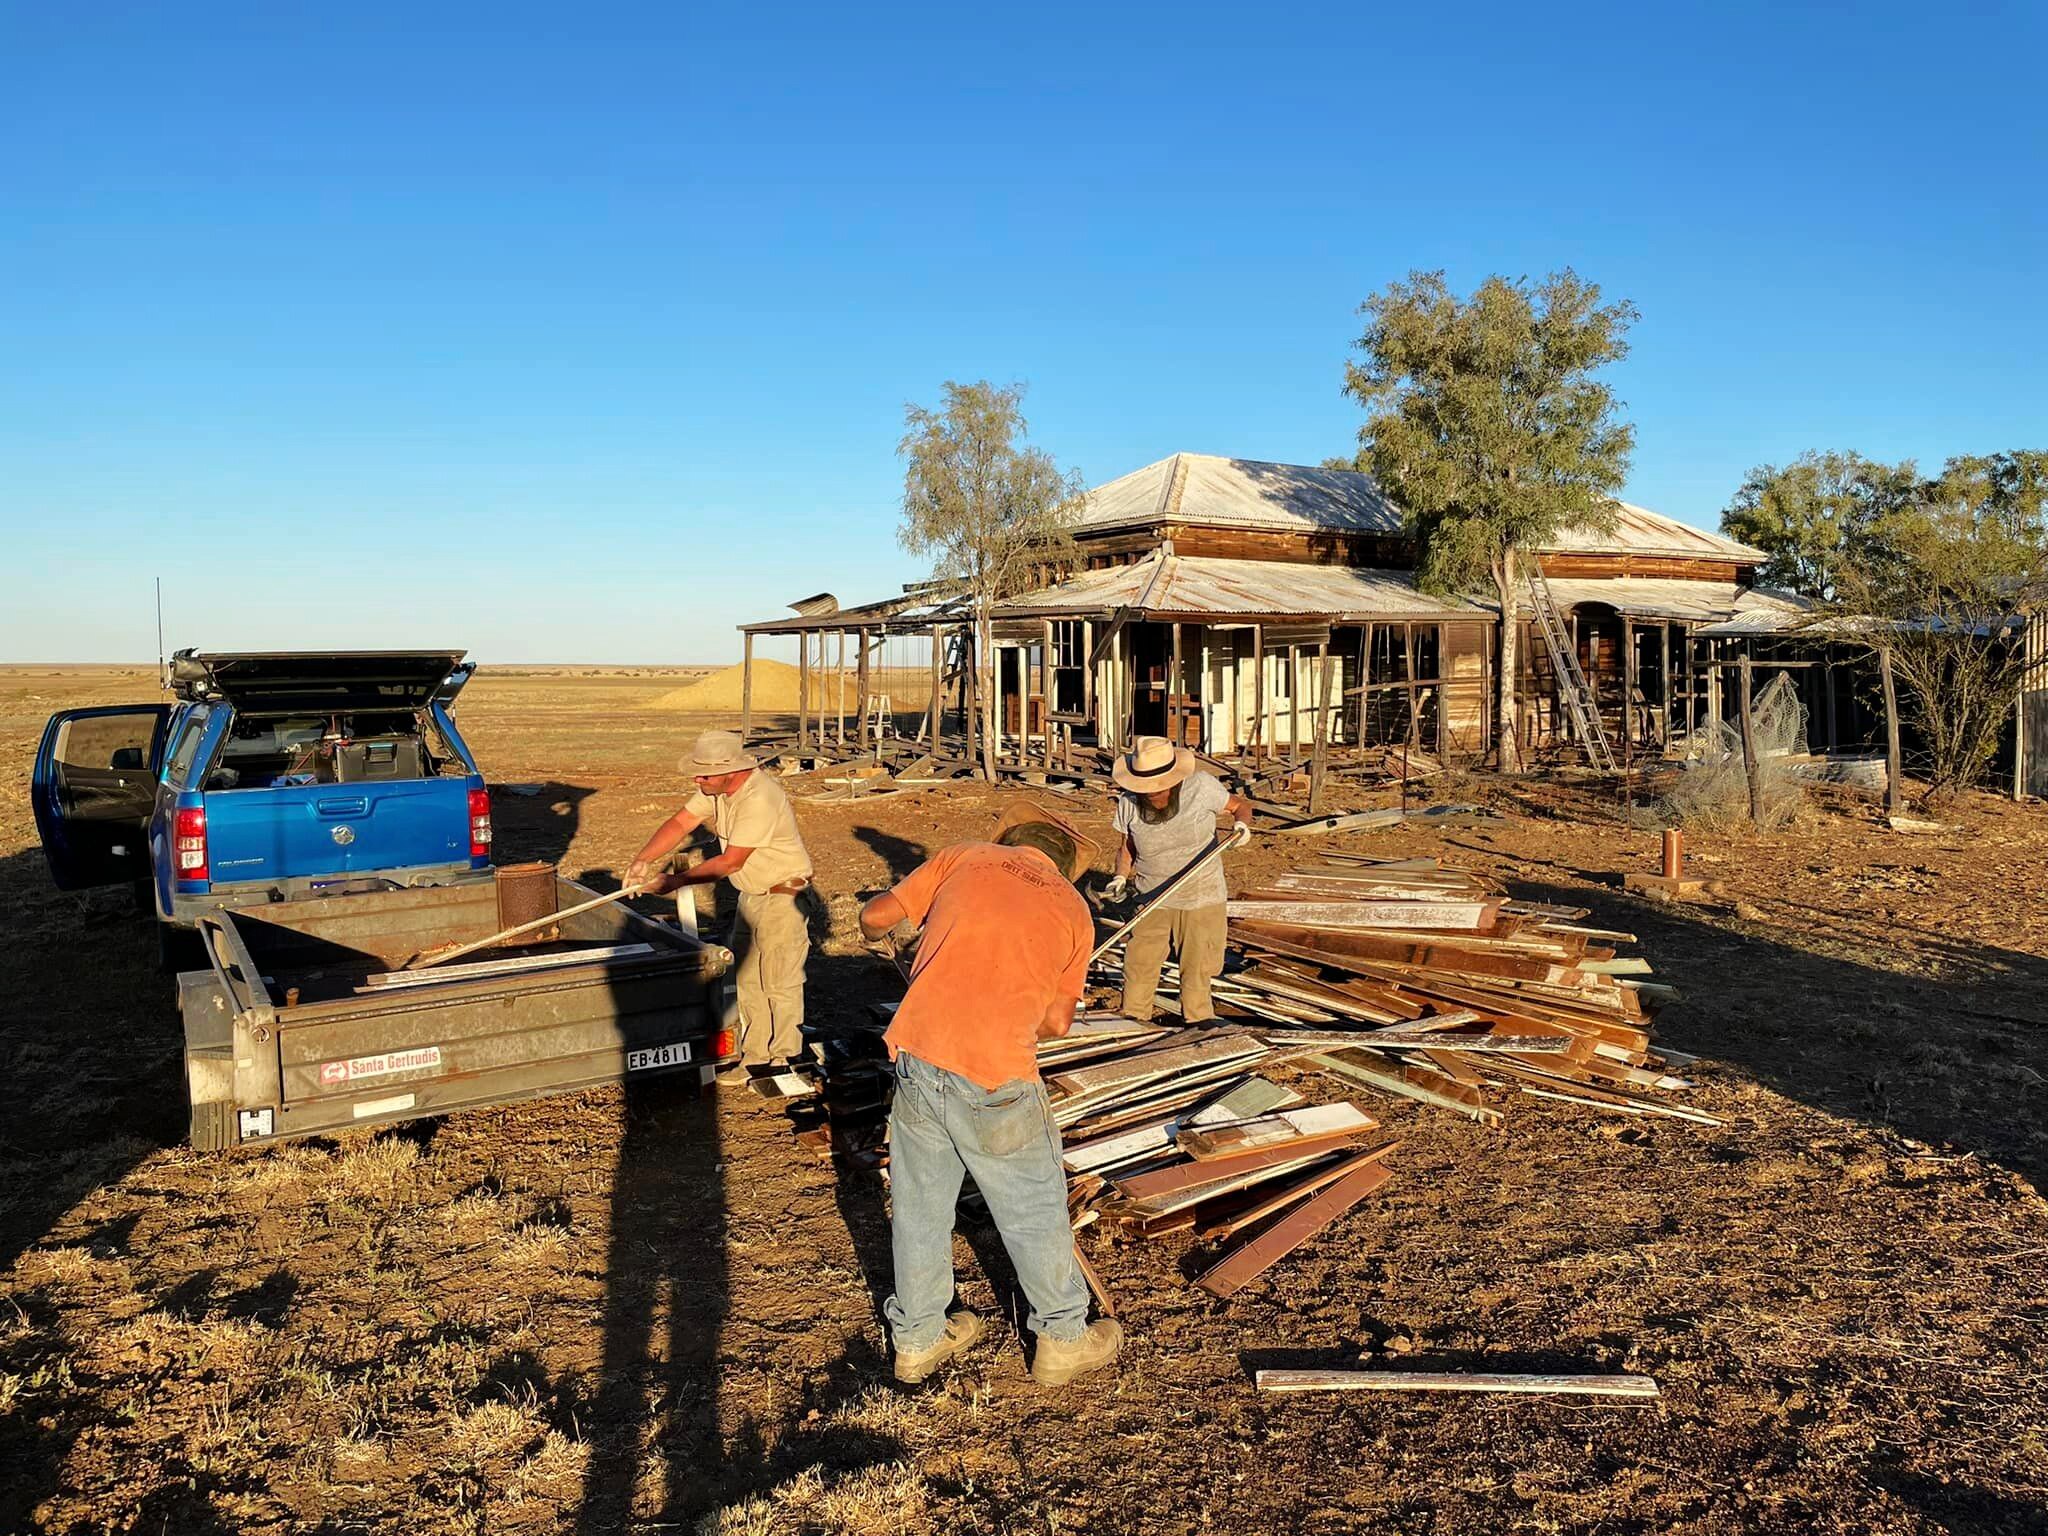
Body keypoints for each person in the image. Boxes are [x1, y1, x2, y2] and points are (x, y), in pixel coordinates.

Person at [857, 819, 1122, 1389]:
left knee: (921, 1207)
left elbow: (874, 917)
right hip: (996, 1075)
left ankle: (918, 1338)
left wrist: (889, 939)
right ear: (1064, 866)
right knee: (1033, 1209)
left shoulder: (963, 857)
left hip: (919, 1055)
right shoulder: (1075, 911)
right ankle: (1062, 1338)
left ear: (1008, 844)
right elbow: (1057, 1022)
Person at [626, 729, 814, 1076]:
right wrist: (643, 860)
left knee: (779, 980)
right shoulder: (716, 790)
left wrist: (676, 881)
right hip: (753, 894)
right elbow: (682, 821)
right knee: (748, 979)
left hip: (783, 896)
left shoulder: (760, 798)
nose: (697, 780)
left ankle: (785, 1059)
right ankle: (756, 1055)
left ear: (732, 771)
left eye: (705, 775)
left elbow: (730, 863)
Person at [1106, 735, 1252, 1024]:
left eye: (1158, 787)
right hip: (1151, 898)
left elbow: (1240, 806)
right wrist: (1120, 876)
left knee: (1196, 969)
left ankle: (1198, 1026)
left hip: (1200, 896)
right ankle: (1132, 1025)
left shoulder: (1201, 787)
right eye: (1145, 787)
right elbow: (1128, 846)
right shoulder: (1129, 801)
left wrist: (1242, 826)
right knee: (1139, 964)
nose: (1152, 793)